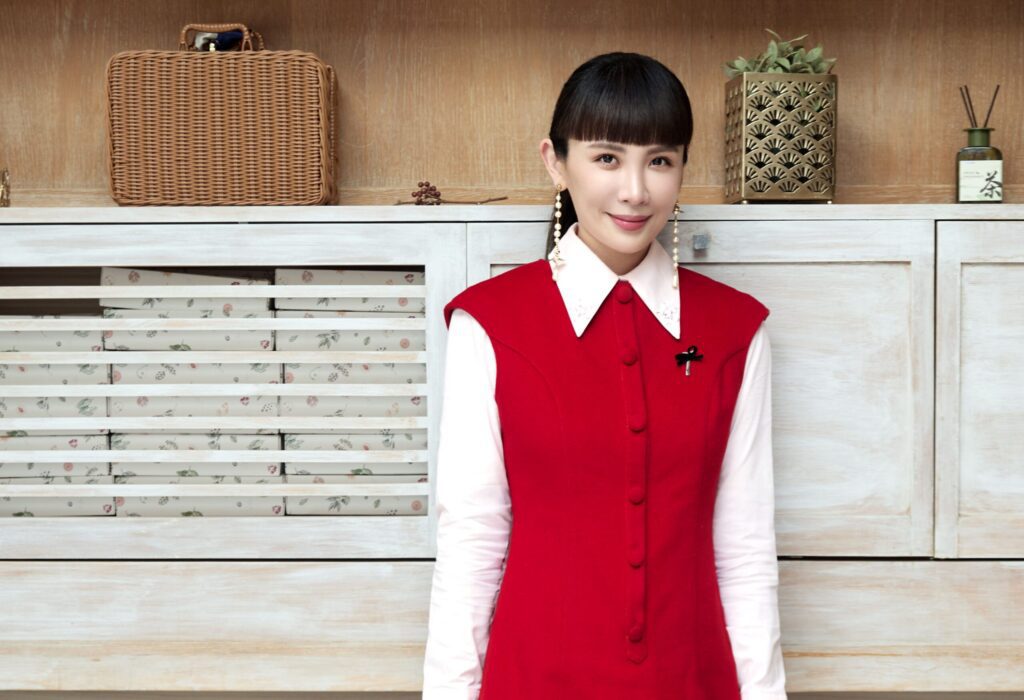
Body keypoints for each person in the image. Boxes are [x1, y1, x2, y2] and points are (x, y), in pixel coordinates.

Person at [422, 51, 787, 699]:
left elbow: (745, 548)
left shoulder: (735, 331)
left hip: (691, 680)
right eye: (608, 158)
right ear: (555, 162)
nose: (636, 191)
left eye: (661, 160)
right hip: (535, 679)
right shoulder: (489, 324)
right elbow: (471, 542)